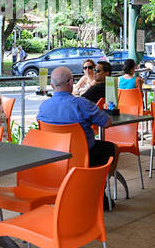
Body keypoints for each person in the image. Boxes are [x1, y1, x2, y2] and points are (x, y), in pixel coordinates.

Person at [37, 66, 117, 212]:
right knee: (111, 149)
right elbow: (107, 123)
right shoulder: (81, 104)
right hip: (82, 156)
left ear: (53, 85)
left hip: (53, 158)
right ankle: (97, 191)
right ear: (71, 82)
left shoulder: (44, 107)